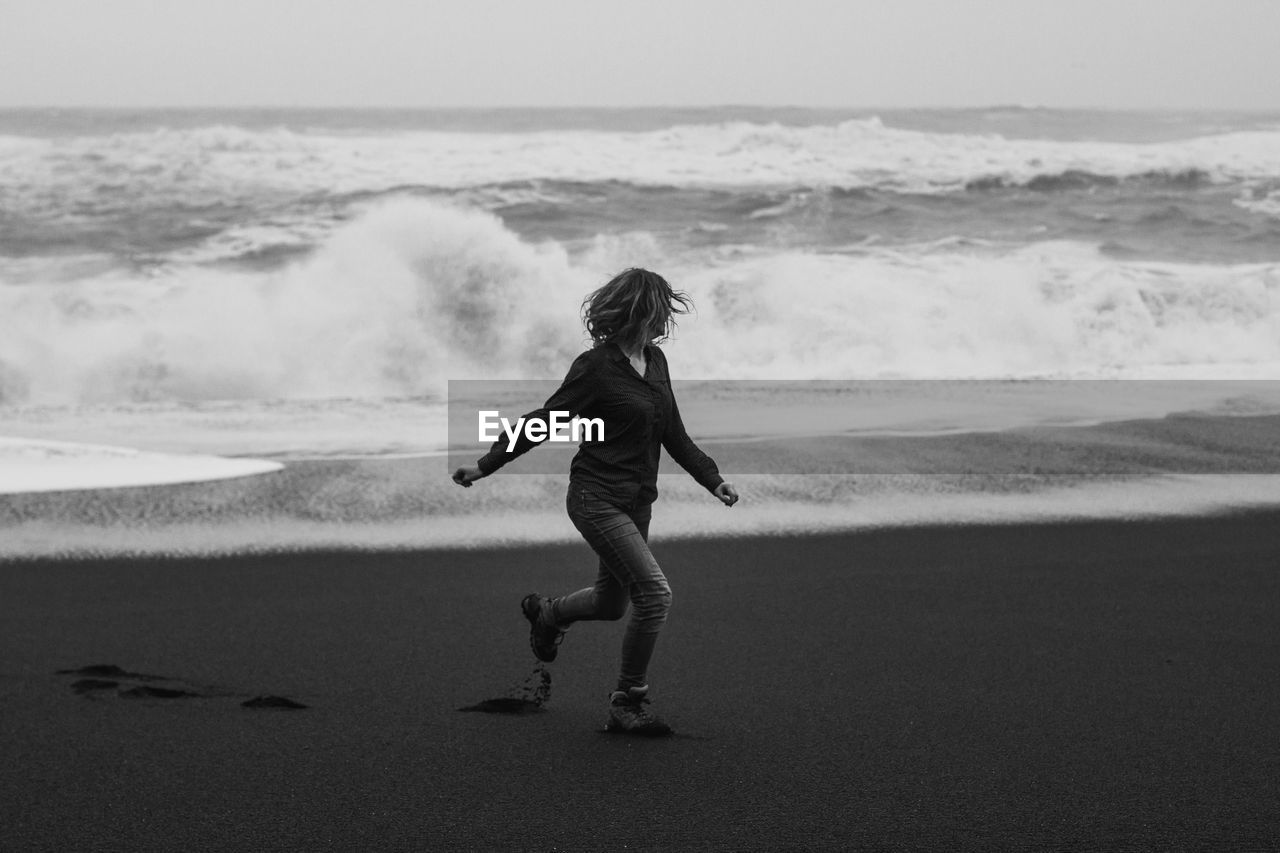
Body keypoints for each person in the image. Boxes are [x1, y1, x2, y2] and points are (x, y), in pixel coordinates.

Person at [452, 268, 738, 735]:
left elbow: (674, 434)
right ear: (641, 309)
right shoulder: (596, 367)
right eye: (661, 306)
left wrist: (713, 479)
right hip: (595, 496)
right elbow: (544, 420)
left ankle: (548, 612)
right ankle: (628, 700)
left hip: (637, 500)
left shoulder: (656, 361)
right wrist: (487, 465)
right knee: (655, 594)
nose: (667, 316)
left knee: (611, 603)